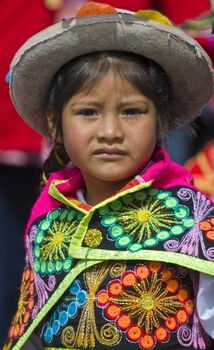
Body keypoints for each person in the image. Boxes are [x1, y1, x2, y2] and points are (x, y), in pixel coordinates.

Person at [4, 1, 214, 349]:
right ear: (56, 124)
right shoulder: (47, 225)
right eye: (88, 112)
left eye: (132, 111)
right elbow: (30, 333)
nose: (110, 131)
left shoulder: (194, 220)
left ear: (161, 120)